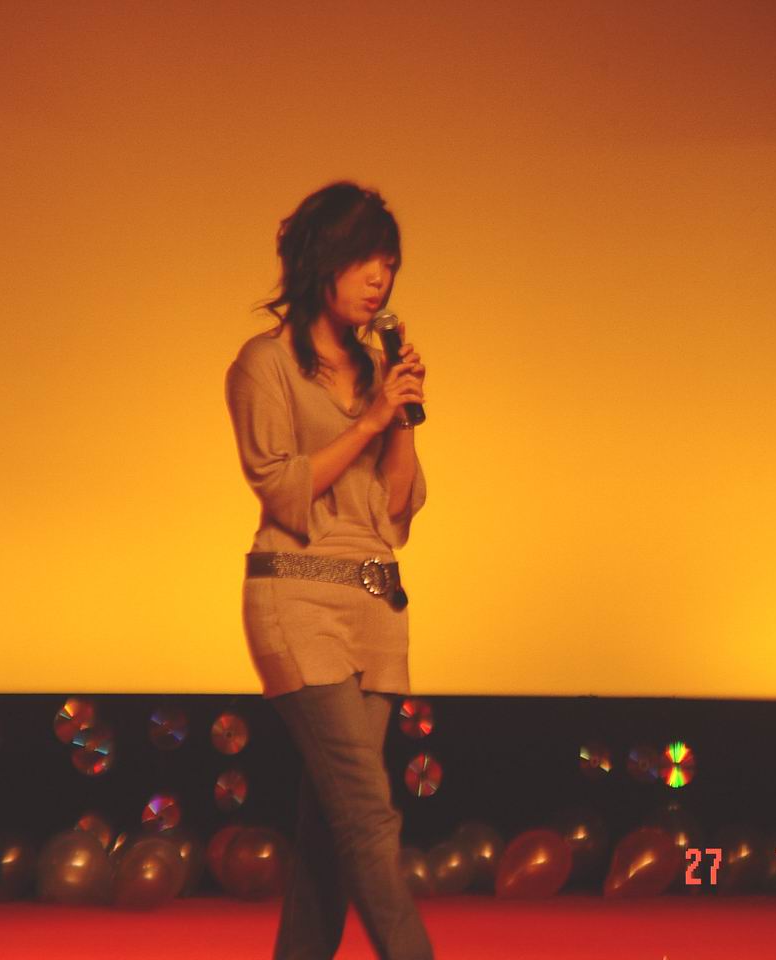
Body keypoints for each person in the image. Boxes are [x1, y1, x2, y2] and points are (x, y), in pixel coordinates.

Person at [224, 181, 433, 960]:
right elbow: (282, 487)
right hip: (296, 599)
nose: (380, 278)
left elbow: (397, 509)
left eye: (390, 263)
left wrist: (399, 416)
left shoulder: (378, 371)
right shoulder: (265, 364)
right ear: (322, 260)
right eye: (364, 259)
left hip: (375, 606)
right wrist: (369, 422)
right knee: (368, 814)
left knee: (330, 833)